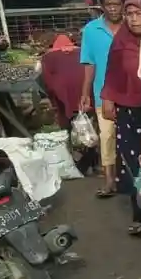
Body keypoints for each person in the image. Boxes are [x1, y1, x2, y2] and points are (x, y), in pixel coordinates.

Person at [100, 0, 141, 236]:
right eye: (129, 14)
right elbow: (112, 71)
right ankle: (140, 215)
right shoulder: (120, 41)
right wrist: (108, 98)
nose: (133, 19)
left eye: (138, 14)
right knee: (134, 162)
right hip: (129, 110)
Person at [80, 0, 127, 198]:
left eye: (117, 4)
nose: (113, 8)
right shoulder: (91, 30)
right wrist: (85, 93)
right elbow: (89, 64)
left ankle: (132, 178)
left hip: (131, 94)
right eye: (109, 4)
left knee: (129, 137)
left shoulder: (132, 26)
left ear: (123, 4)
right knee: (107, 136)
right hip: (103, 93)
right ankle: (109, 180)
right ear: (102, 5)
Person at [40, 31, 98, 175]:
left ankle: (76, 162)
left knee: (69, 127)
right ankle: (91, 160)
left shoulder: (48, 57)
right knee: (87, 128)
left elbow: (47, 81)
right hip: (85, 92)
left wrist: (52, 98)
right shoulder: (82, 52)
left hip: (63, 94)